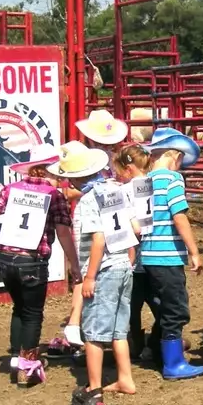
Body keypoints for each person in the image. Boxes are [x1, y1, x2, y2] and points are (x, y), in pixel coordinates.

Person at [0, 144, 83, 387]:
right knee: (32, 313)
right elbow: (64, 232)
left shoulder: (10, 189)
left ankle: (16, 356)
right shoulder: (54, 195)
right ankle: (28, 365)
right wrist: (75, 264)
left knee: (19, 307)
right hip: (33, 260)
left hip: (6, 257)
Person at [49, 141, 137, 405]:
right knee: (119, 329)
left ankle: (94, 388)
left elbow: (99, 237)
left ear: (74, 177)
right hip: (123, 264)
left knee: (95, 333)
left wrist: (88, 277)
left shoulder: (88, 200)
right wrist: (129, 258)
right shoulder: (116, 190)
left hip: (104, 268)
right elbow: (133, 227)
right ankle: (125, 378)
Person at [139, 127, 203, 380]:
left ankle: (158, 352)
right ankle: (173, 362)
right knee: (176, 309)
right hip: (167, 254)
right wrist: (194, 251)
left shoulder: (144, 182)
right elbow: (179, 216)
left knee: (162, 305)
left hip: (146, 255)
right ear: (176, 156)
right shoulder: (173, 180)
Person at [64, 109, 130, 347]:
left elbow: (71, 189)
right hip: (102, 212)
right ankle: (76, 323)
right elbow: (70, 191)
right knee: (98, 262)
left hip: (103, 212)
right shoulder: (110, 158)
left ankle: (80, 323)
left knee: (99, 263)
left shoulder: (100, 157)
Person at [107, 142, 164, 364]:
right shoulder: (155, 184)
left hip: (133, 257)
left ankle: (135, 344)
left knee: (131, 304)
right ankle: (158, 340)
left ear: (128, 169)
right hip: (157, 251)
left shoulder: (122, 190)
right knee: (160, 302)